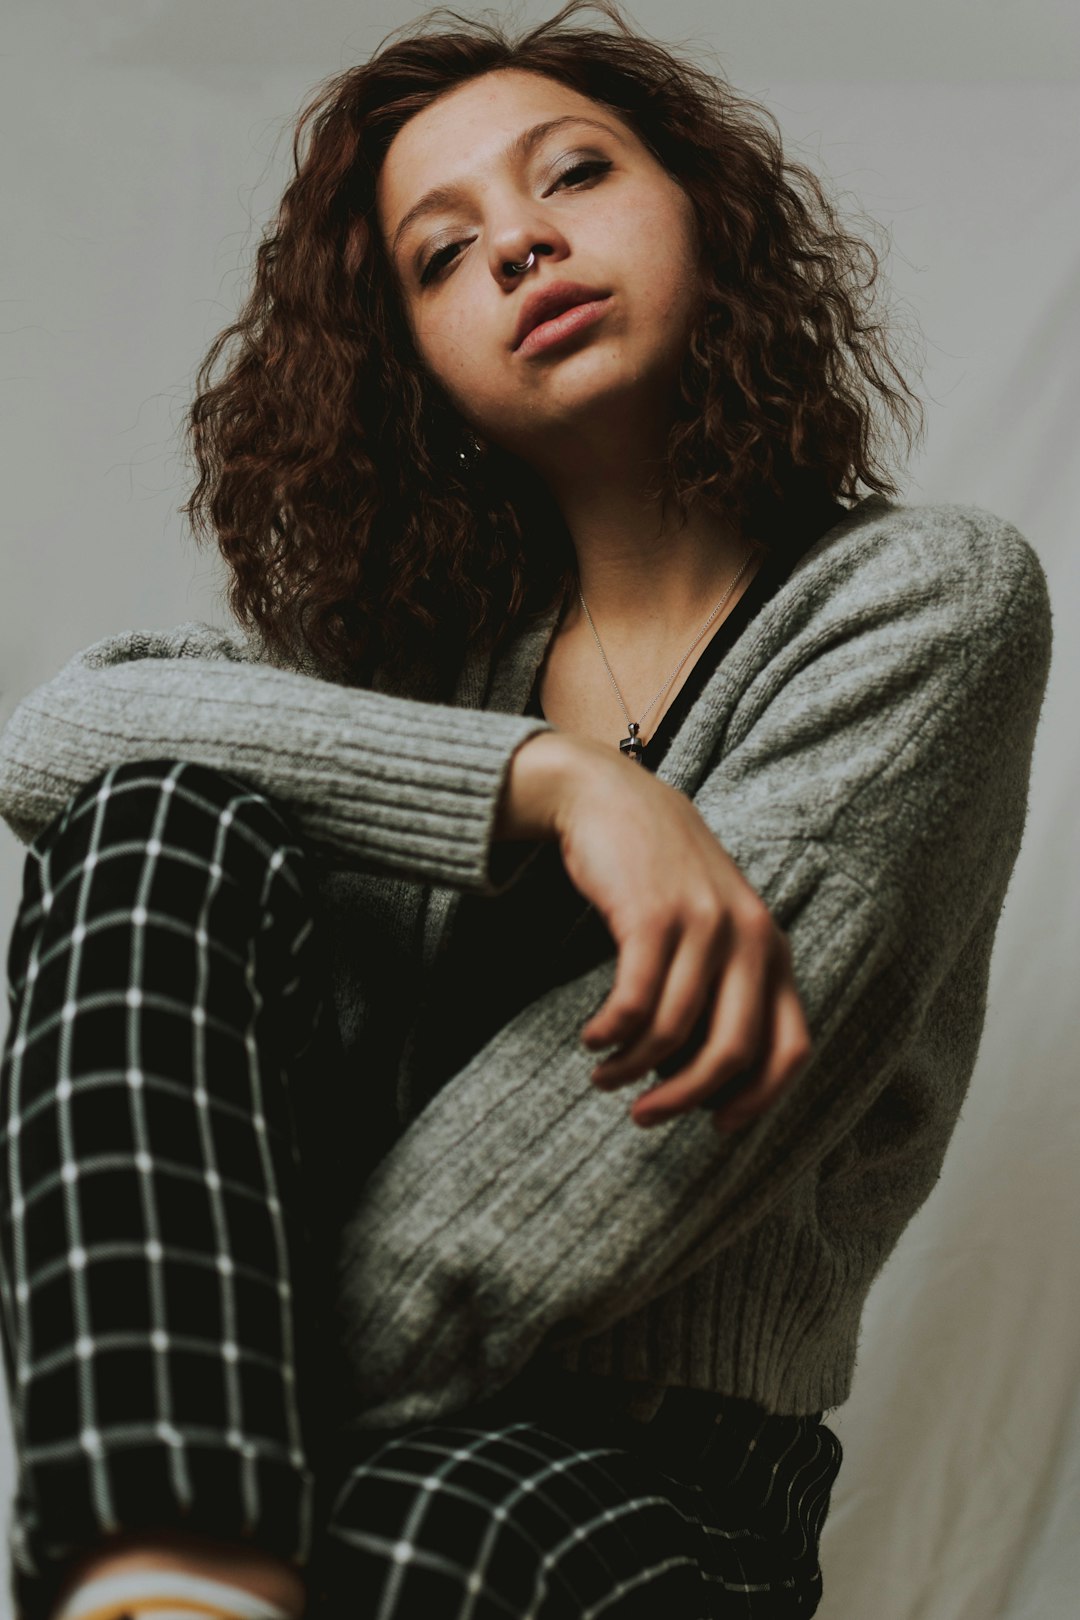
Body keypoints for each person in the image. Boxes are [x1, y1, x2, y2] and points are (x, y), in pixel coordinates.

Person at [0, 1, 1053, 1616]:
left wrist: (263, 1420)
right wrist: (548, 783)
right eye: (441, 253)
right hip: (242, 1437)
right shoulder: (415, 671)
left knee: (405, 1540)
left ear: (706, 212)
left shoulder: (922, 601)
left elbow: (631, 1142)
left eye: (575, 175)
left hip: (655, 1477)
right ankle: (169, 1564)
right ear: (407, 358)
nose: (520, 248)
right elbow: (58, 735)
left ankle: (195, 1532)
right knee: (160, 821)